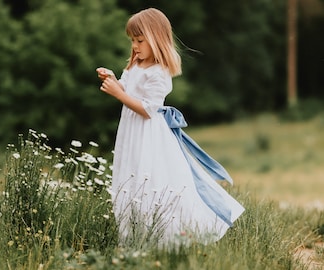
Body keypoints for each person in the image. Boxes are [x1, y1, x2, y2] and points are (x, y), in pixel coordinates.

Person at [96, 8, 244, 246]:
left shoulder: (159, 72)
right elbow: (126, 87)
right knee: (130, 177)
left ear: (156, 39)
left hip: (148, 133)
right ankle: (134, 237)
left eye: (140, 41)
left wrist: (118, 95)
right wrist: (114, 80)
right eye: (133, 41)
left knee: (151, 179)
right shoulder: (135, 65)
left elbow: (147, 108)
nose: (135, 46)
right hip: (131, 132)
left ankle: (170, 236)